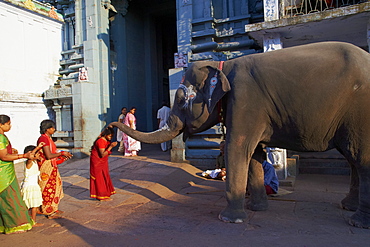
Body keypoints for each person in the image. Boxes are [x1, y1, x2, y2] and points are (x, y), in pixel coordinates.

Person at [0, 114, 35, 234]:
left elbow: (5, 152)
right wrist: (24, 156)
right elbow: (3, 156)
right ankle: (16, 225)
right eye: (8, 124)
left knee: (6, 199)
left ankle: (6, 224)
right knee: (11, 199)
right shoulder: (0, 138)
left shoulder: (3, 137)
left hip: (6, 171)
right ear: (1, 125)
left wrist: (12, 151)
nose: (10, 126)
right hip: (4, 174)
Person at [37, 119, 73, 219]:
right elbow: (48, 155)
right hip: (46, 168)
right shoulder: (43, 139)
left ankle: (53, 207)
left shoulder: (48, 138)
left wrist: (62, 157)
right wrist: (61, 153)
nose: (54, 129)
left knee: (56, 186)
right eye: (52, 128)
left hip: (51, 166)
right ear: (47, 129)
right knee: (48, 189)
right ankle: (48, 211)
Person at [20, 143, 45, 227]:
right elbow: (30, 157)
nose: (38, 154)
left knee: (34, 205)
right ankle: (31, 221)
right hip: (29, 186)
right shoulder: (29, 162)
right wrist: (37, 148)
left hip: (34, 186)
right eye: (36, 153)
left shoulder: (34, 162)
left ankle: (31, 221)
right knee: (30, 206)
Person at [90, 127, 117, 201]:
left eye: (112, 136)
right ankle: (101, 196)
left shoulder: (105, 140)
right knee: (100, 179)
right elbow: (102, 154)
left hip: (102, 162)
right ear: (106, 135)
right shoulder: (101, 141)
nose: (110, 137)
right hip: (98, 162)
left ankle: (105, 194)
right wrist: (110, 147)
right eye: (110, 136)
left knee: (104, 176)